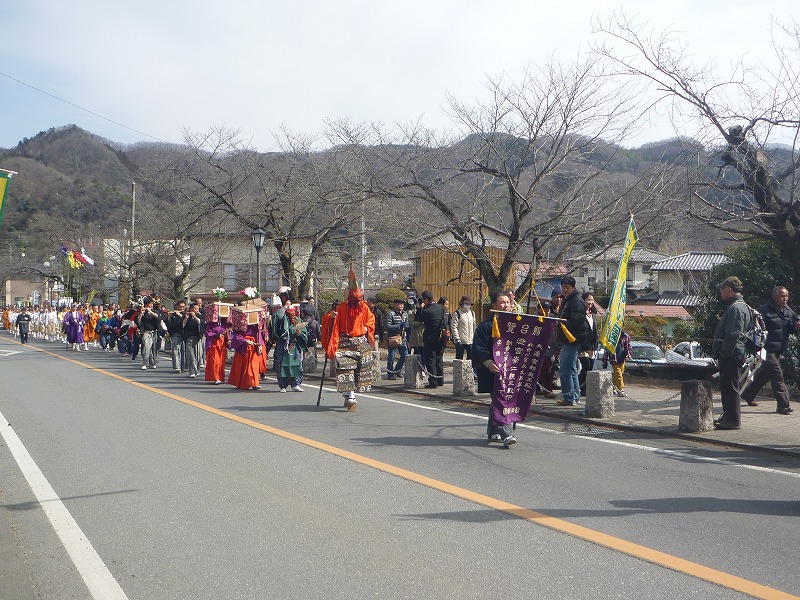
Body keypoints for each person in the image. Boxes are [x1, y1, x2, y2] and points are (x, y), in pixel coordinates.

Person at [740, 286, 800, 415]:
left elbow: (791, 325)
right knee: (777, 374)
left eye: (787, 296)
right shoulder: (763, 311)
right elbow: (754, 329)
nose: (785, 299)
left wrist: (796, 325)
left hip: (779, 348)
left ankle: (748, 395)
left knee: (766, 374)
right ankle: (783, 405)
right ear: (774, 296)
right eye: (782, 296)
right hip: (766, 349)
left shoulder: (787, 311)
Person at [325, 270, 376, 410]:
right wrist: (332, 317)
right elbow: (332, 323)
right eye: (355, 299)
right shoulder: (341, 307)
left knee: (364, 364)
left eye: (359, 299)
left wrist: (367, 327)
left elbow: (371, 320)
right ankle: (350, 393)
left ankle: (351, 393)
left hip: (360, 341)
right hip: (344, 341)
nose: (357, 301)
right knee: (345, 367)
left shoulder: (364, 307)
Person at [471, 291, 517, 447]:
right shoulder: (485, 326)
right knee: (500, 400)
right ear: (494, 305)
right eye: (502, 303)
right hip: (493, 370)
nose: (506, 306)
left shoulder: (516, 325)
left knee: (505, 399)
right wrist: (488, 362)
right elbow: (479, 347)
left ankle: (493, 431)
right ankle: (506, 434)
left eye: (508, 303)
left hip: (511, 371)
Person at [710, 276, 753, 430]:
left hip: (732, 353)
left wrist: (723, 352)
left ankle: (733, 420)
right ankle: (728, 416)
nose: (720, 292)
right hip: (734, 352)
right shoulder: (739, 306)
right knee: (728, 386)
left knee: (730, 387)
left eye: (722, 288)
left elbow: (733, 334)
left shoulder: (736, 308)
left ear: (729, 289)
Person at [556, 277, 589, 406]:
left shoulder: (575, 301)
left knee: (564, 370)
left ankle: (569, 398)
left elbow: (577, 322)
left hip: (572, 339)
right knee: (572, 369)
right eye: (563, 287)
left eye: (567, 288)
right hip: (570, 338)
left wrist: (562, 322)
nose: (564, 290)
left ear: (573, 288)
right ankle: (575, 396)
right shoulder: (569, 300)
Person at [415, 291, 446, 388]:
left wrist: (419, 308)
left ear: (426, 300)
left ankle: (433, 382)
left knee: (430, 359)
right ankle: (440, 380)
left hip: (429, 337)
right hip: (440, 337)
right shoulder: (440, 307)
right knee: (439, 358)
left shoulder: (426, 311)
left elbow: (418, 319)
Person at [277, 306, 308, 392]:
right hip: (284, 346)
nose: (292, 315)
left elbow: (304, 332)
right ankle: (283, 385)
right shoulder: (283, 320)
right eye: (290, 313)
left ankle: (295, 384)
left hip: (295, 346)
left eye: (293, 313)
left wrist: (300, 333)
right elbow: (279, 331)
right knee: (282, 365)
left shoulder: (298, 321)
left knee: (296, 365)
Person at [578, 292, 599, 397]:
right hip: (582, 345)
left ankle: (585, 387)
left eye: (592, 300)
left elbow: (595, 330)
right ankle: (580, 387)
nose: (590, 302)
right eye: (588, 300)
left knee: (590, 367)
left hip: (592, 345)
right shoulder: (580, 313)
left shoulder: (593, 314)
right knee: (585, 365)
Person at [385, 298, 409, 379]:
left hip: (402, 337)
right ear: (395, 305)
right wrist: (399, 326)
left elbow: (407, 324)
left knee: (405, 355)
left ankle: (398, 370)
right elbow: (388, 326)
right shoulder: (390, 314)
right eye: (399, 304)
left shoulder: (405, 314)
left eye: (402, 304)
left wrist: (407, 328)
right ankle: (390, 373)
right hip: (393, 337)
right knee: (391, 356)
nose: (401, 305)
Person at [603, 329, 632, 397]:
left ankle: (613, 388)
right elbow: (607, 349)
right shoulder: (611, 336)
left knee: (619, 374)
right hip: (614, 359)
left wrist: (628, 354)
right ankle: (620, 390)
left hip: (622, 358)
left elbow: (628, 346)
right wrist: (605, 360)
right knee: (618, 375)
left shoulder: (626, 336)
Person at [204, 308, 229, 384]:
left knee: (222, 360)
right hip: (214, 343)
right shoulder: (210, 323)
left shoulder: (225, 322)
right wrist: (216, 335)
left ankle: (220, 377)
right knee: (215, 360)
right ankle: (215, 377)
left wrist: (228, 338)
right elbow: (208, 332)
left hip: (222, 342)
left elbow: (229, 331)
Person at [136, 297, 162, 369]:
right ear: (147, 304)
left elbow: (158, 317)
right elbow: (138, 321)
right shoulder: (142, 311)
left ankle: (152, 362)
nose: (152, 305)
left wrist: (150, 312)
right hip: (146, 332)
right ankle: (145, 363)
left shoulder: (154, 311)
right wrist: (141, 313)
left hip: (154, 332)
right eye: (150, 304)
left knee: (153, 349)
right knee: (146, 348)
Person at [450, 295, 476, 360]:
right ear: (462, 304)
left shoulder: (472, 313)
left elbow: (474, 325)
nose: (468, 305)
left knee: (471, 359)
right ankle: (458, 370)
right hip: (460, 341)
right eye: (466, 304)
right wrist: (457, 338)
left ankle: (469, 370)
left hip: (470, 340)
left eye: (469, 304)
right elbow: (453, 327)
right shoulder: (457, 314)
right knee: (459, 360)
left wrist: (474, 337)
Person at [182, 302, 204, 379]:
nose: (197, 310)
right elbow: (183, 325)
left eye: (198, 309)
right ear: (191, 309)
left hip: (197, 338)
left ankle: (197, 370)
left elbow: (201, 324)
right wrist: (186, 318)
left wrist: (195, 316)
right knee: (191, 356)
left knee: (198, 356)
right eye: (195, 309)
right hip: (189, 339)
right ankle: (192, 372)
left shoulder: (200, 316)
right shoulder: (186, 316)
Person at [167, 301, 187, 373]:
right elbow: (170, 325)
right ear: (177, 307)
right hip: (176, 334)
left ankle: (183, 367)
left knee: (183, 351)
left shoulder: (185, 314)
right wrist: (169, 318)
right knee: (175, 350)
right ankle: (177, 367)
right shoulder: (174, 315)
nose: (182, 308)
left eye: (183, 307)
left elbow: (187, 322)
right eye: (180, 307)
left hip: (184, 335)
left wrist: (180, 315)